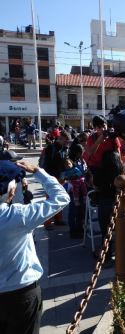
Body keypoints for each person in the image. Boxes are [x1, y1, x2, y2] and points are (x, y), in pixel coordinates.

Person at [0, 160, 70, 334]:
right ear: (11, 190)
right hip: (21, 293)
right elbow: (61, 197)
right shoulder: (18, 216)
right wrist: (38, 172)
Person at [41, 130, 71, 229]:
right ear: (60, 138)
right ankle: (47, 222)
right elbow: (50, 163)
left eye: (67, 141)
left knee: (59, 198)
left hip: (60, 176)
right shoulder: (51, 148)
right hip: (51, 177)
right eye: (65, 141)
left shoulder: (64, 148)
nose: (66, 143)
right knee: (50, 199)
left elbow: (64, 161)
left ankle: (58, 219)